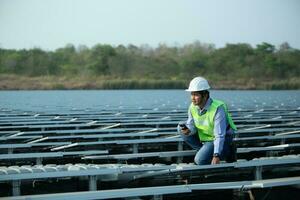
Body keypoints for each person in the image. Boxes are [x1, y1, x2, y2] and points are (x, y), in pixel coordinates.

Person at [178, 76, 237, 165]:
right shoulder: (192, 106)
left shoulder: (218, 108)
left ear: (205, 95)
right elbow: (191, 125)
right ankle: (204, 151)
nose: (193, 98)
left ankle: (228, 151)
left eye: (196, 95)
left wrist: (216, 155)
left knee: (200, 161)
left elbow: (219, 134)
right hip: (206, 138)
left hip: (221, 138)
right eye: (192, 94)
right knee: (180, 128)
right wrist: (188, 131)